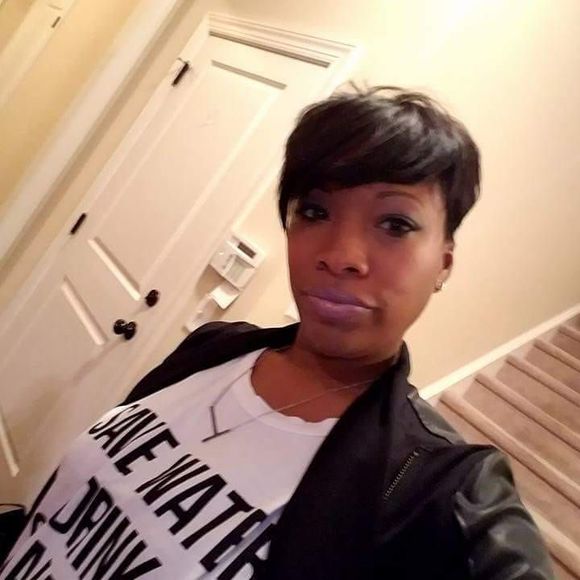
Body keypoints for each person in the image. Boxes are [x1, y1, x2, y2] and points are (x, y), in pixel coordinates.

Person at [1, 87, 554, 579]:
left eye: (395, 224)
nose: (340, 256)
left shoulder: (441, 487)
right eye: (314, 211)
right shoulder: (213, 348)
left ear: (443, 263)